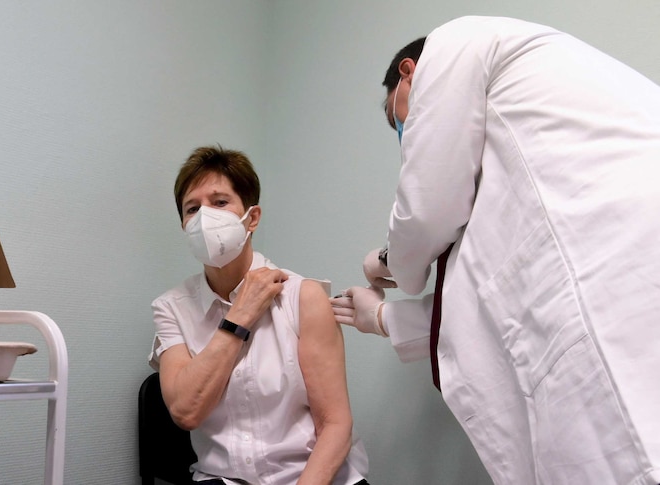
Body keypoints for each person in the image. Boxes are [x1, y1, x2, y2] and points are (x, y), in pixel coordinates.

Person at [333, 15, 660, 485]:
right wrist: (383, 320)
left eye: (397, 118)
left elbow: (424, 215)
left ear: (409, 72)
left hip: (622, 266)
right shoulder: (501, 167)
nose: (403, 132)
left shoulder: (455, 43)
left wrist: (387, 260)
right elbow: (485, 300)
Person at [148, 145, 369, 485]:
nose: (205, 217)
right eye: (192, 208)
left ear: (251, 217)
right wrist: (239, 316)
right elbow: (185, 412)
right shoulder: (171, 307)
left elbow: (336, 425)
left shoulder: (303, 296)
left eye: (220, 202)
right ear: (183, 225)